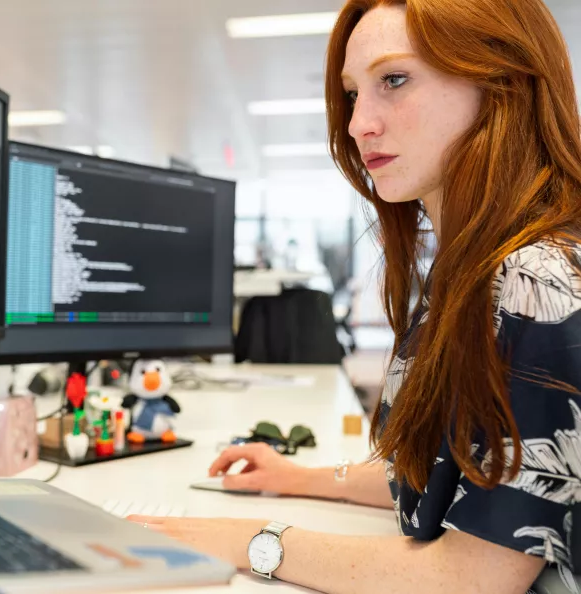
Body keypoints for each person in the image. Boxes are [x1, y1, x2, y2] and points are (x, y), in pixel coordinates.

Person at [128, 0, 581, 591]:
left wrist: (250, 541)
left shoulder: (537, 279)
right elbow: (460, 475)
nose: (356, 123)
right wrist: (301, 478)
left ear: (501, 84)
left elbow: (475, 576)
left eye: (394, 80)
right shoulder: (472, 270)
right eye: (352, 93)